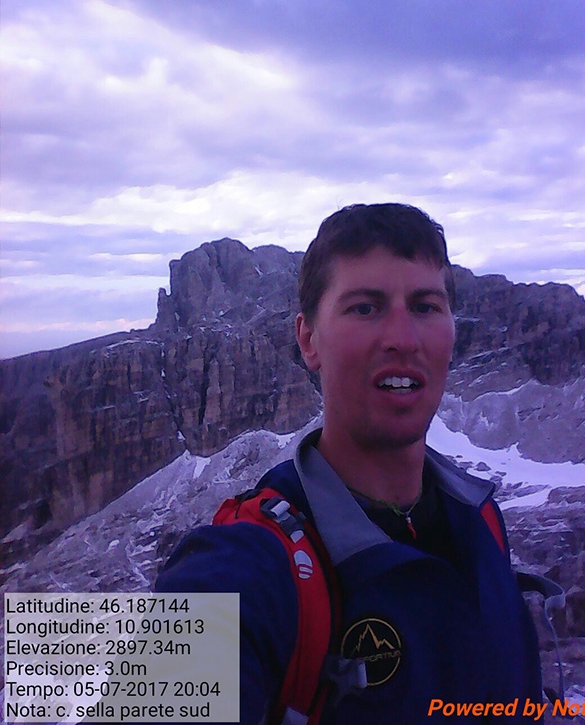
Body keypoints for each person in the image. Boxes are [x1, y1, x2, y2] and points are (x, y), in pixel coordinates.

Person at [156, 203, 542, 723]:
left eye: (426, 306)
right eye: (365, 307)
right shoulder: (248, 566)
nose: (403, 338)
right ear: (308, 340)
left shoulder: (481, 519)